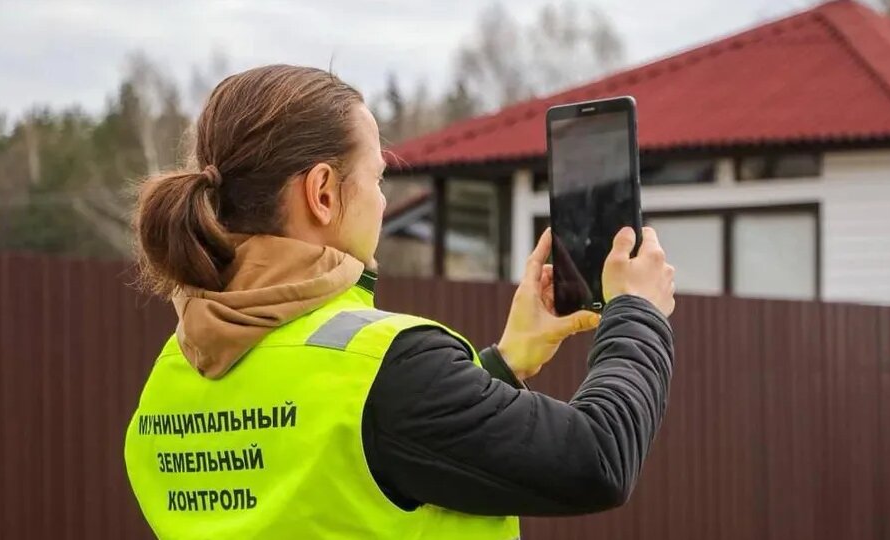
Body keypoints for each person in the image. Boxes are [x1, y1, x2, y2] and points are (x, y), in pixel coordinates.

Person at [123, 64, 676, 540]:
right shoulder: (387, 368)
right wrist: (637, 312)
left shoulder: (170, 379)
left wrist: (503, 365)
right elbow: (596, 457)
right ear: (322, 193)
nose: (383, 202)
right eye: (378, 178)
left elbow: (358, 467)